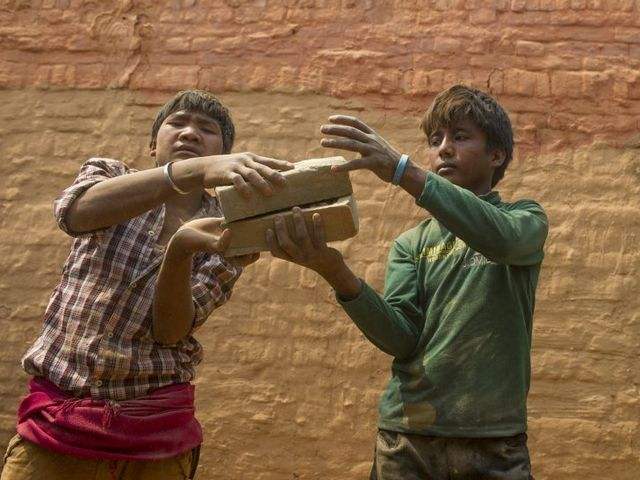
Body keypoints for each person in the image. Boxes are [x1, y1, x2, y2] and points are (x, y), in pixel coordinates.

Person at [1, 90, 293, 480]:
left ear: (225, 156)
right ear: (153, 146)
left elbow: (170, 331)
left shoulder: (230, 227)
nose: (190, 133)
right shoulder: (110, 175)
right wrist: (192, 172)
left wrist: (181, 249)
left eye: (207, 130)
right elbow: (75, 214)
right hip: (57, 423)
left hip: (155, 435)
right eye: (178, 123)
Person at [266, 85, 547, 480]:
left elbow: (502, 240)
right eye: (435, 140)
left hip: (493, 441)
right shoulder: (411, 244)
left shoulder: (526, 219)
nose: (444, 149)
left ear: (496, 155)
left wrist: (403, 171)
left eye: (460, 137)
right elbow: (402, 339)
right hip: (407, 437)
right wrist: (334, 270)